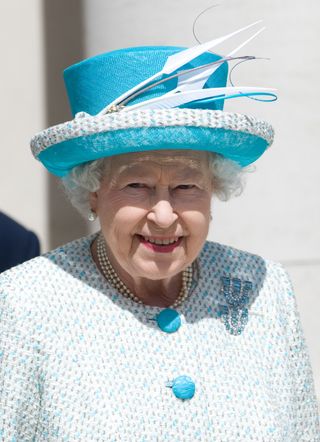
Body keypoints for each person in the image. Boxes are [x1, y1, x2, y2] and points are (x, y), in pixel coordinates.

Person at [0, 23, 319, 441]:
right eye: (137, 186)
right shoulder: (25, 303)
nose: (165, 216)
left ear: (214, 190)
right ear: (93, 192)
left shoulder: (262, 286)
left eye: (187, 187)